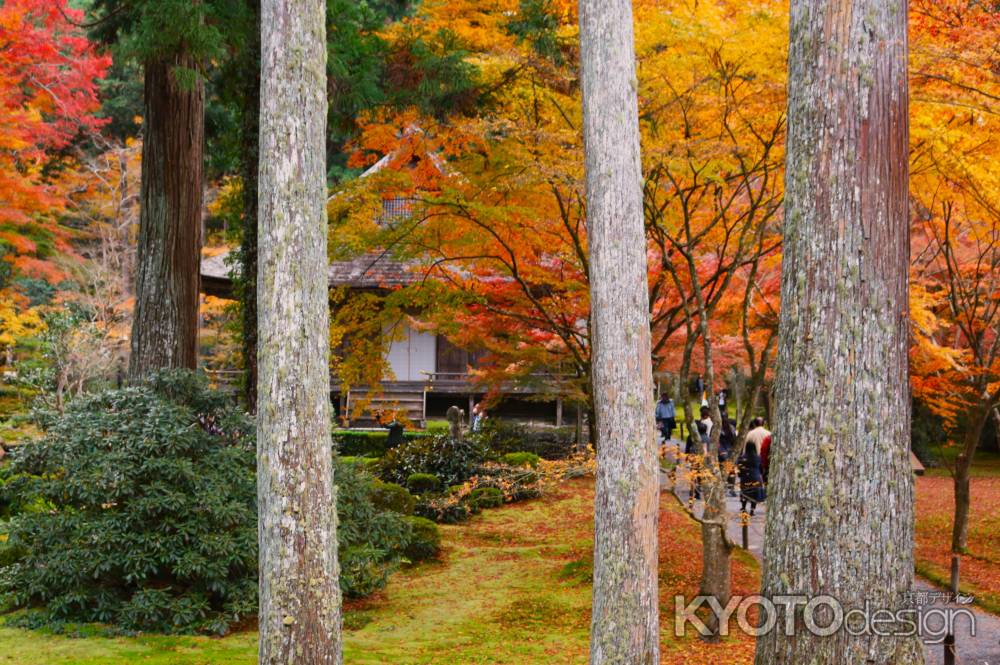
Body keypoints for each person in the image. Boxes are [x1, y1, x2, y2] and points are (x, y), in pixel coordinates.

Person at [738, 441, 766, 515]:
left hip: (745, 477)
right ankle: (752, 510)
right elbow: (761, 468)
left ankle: (743, 508)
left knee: (744, 492)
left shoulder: (742, 457)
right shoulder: (758, 457)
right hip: (755, 477)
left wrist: (740, 474)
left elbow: (739, 468)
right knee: (754, 494)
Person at [744, 417, 773, 483]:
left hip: (753, 463)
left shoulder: (750, 434)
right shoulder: (769, 434)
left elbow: (745, 450)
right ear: (764, 423)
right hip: (766, 462)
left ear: (754, 423)